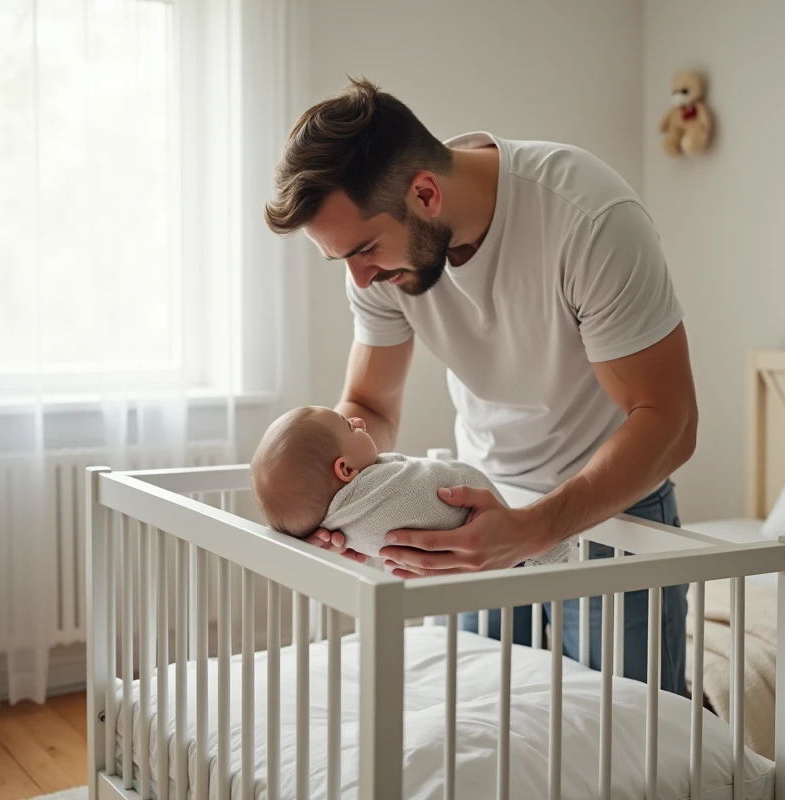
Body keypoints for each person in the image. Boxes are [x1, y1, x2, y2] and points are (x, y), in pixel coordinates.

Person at [263, 77, 698, 695]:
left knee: (629, 740)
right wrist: (344, 507)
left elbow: (670, 422)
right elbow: (369, 406)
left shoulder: (589, 220)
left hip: (611, 514)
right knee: (492, 726)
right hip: (472, 512)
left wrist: (534, 529)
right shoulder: (381, 267)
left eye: (363, 251)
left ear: (426, 192)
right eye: (344, 263)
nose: (361, 281)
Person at [249, 405, 571, 565]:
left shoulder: (343, 518)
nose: (359, 421)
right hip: (490, 516)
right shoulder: (376, 494)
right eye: (349, 427)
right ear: (345, 469)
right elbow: (432, 481)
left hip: (568, 488)